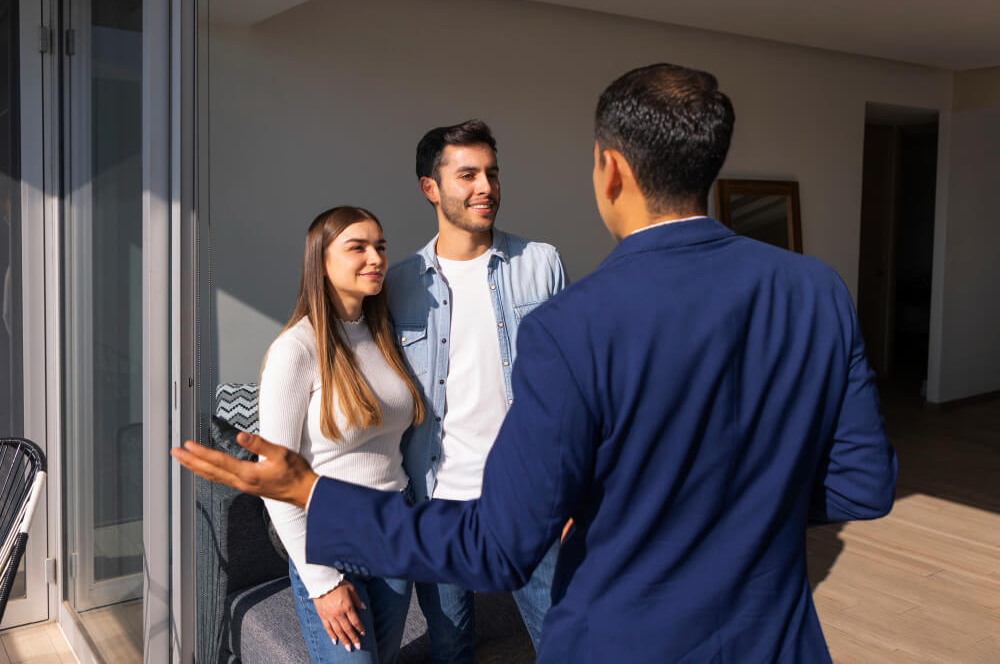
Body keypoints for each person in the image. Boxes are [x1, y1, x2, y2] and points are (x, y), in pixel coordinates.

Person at [174, 63, 897, 663]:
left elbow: (497, 548)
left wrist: (313, 492)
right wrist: (741, 503)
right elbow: (864, 483)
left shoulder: (568, 319)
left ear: (609, 169)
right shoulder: (818, 290)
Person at [385, 119, 567, 661]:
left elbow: (571, 387)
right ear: (430, 188)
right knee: (451, 646)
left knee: (565, 637)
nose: (485, 186)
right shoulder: (398, 282)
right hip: (439, 502)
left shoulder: (541, 263)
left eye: (491, 172)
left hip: (531, 498)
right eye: (467, 174)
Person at [257, 206, 425, 662]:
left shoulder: (383, 335)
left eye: (381, 247)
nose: (376, 258)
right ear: (321, 260)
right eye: (358, 247)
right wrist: (322, 582)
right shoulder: (297, 349)